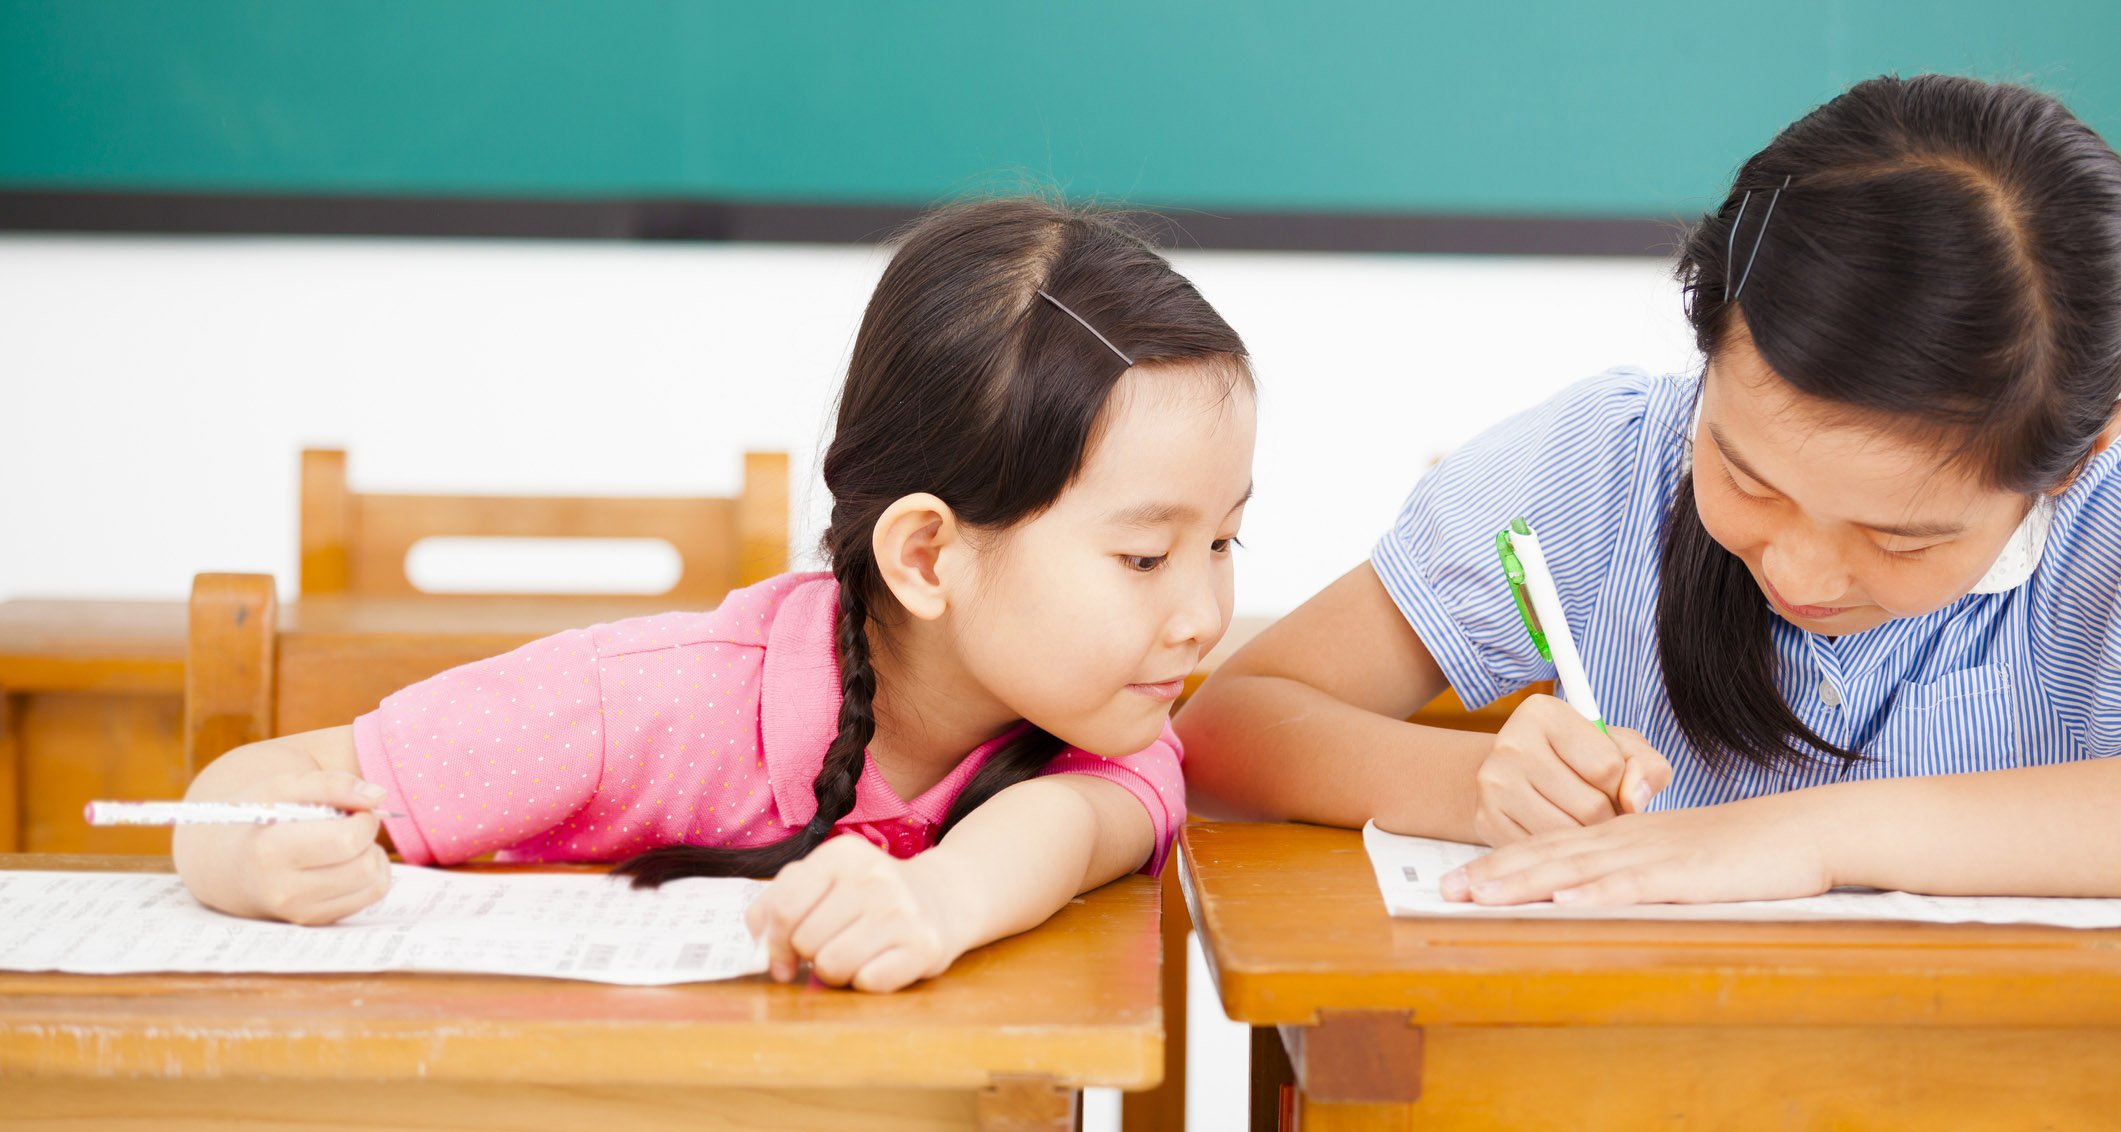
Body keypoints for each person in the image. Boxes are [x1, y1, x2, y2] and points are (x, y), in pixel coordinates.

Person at [174, 198, 1256, 990]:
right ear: (927, 555)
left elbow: (1067, 826)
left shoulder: (1110, 734)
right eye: (1147, 558)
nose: (1204, 612)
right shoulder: (652, 704)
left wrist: (939, 902)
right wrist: (246, 850)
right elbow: (258, 786)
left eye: (1225, 537)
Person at [1178, 74, 2121, 906]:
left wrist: (1804, 836)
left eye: (1900, 540)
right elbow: (1224, 732)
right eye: (1745, 476)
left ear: (2079, 457)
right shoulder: (1601, 467)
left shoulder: (2104, 521)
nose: (1798, 568)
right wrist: (1473, 783)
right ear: (1705, 345)